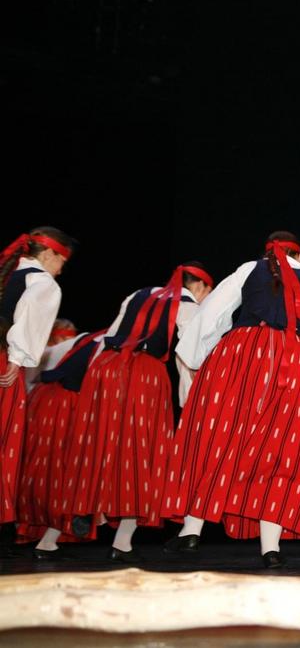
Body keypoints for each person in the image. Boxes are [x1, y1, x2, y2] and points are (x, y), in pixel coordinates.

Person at [161, 232, 300, 568]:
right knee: (281, 453)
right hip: (293, 364)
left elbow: (212, 313)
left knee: (217, 439)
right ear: (299, 256)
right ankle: (270, 549)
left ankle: (191, 530)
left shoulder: (248, 269)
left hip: (241, 356)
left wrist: (197, 357)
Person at [58, 262, 213, 563]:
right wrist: (193, 394)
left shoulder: (138, 294)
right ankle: (121, 540)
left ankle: (87, 508)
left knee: (99, 441)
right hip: (143, 374)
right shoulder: (187, 303)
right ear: (200, 286)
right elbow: (191, 353)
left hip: (105, 368)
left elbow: (111, 335)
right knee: (141, 452)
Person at [0, 227, 74, 557]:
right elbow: (28, 322)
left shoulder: (8, 273)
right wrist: (16, 359)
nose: (60, 270)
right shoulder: (42, 282)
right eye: (61, 262)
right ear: (48, 254)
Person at [17, 328, 105, 554]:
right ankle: (49, 534)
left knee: (44, 471)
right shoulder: (97, 340)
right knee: (64, 471)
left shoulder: (88, 339)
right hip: (63, 405)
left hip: (45, 400)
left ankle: (41, 533)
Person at [24, 319, 78, 394]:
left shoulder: (67, 351)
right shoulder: (39, 351)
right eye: (63, 336)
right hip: (32, 391)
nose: (67, 339)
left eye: (72, 336)